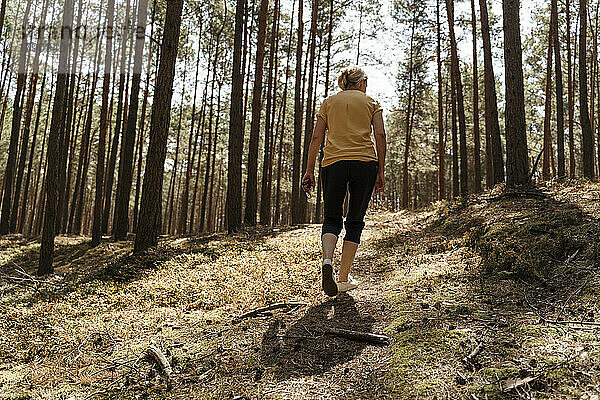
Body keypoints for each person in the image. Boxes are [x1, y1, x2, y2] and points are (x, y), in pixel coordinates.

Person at [302, 66, 386, 297]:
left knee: (331, 217)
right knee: (355, 219)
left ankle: (327, 260)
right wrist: (381, 169)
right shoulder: (371, 102)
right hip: (364, 163)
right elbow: (380, 134)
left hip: (333, 162)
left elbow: (317, 136)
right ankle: (342, 277)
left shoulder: (329, 102)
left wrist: (309, 169)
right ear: (360, 83)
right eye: (365, 83)